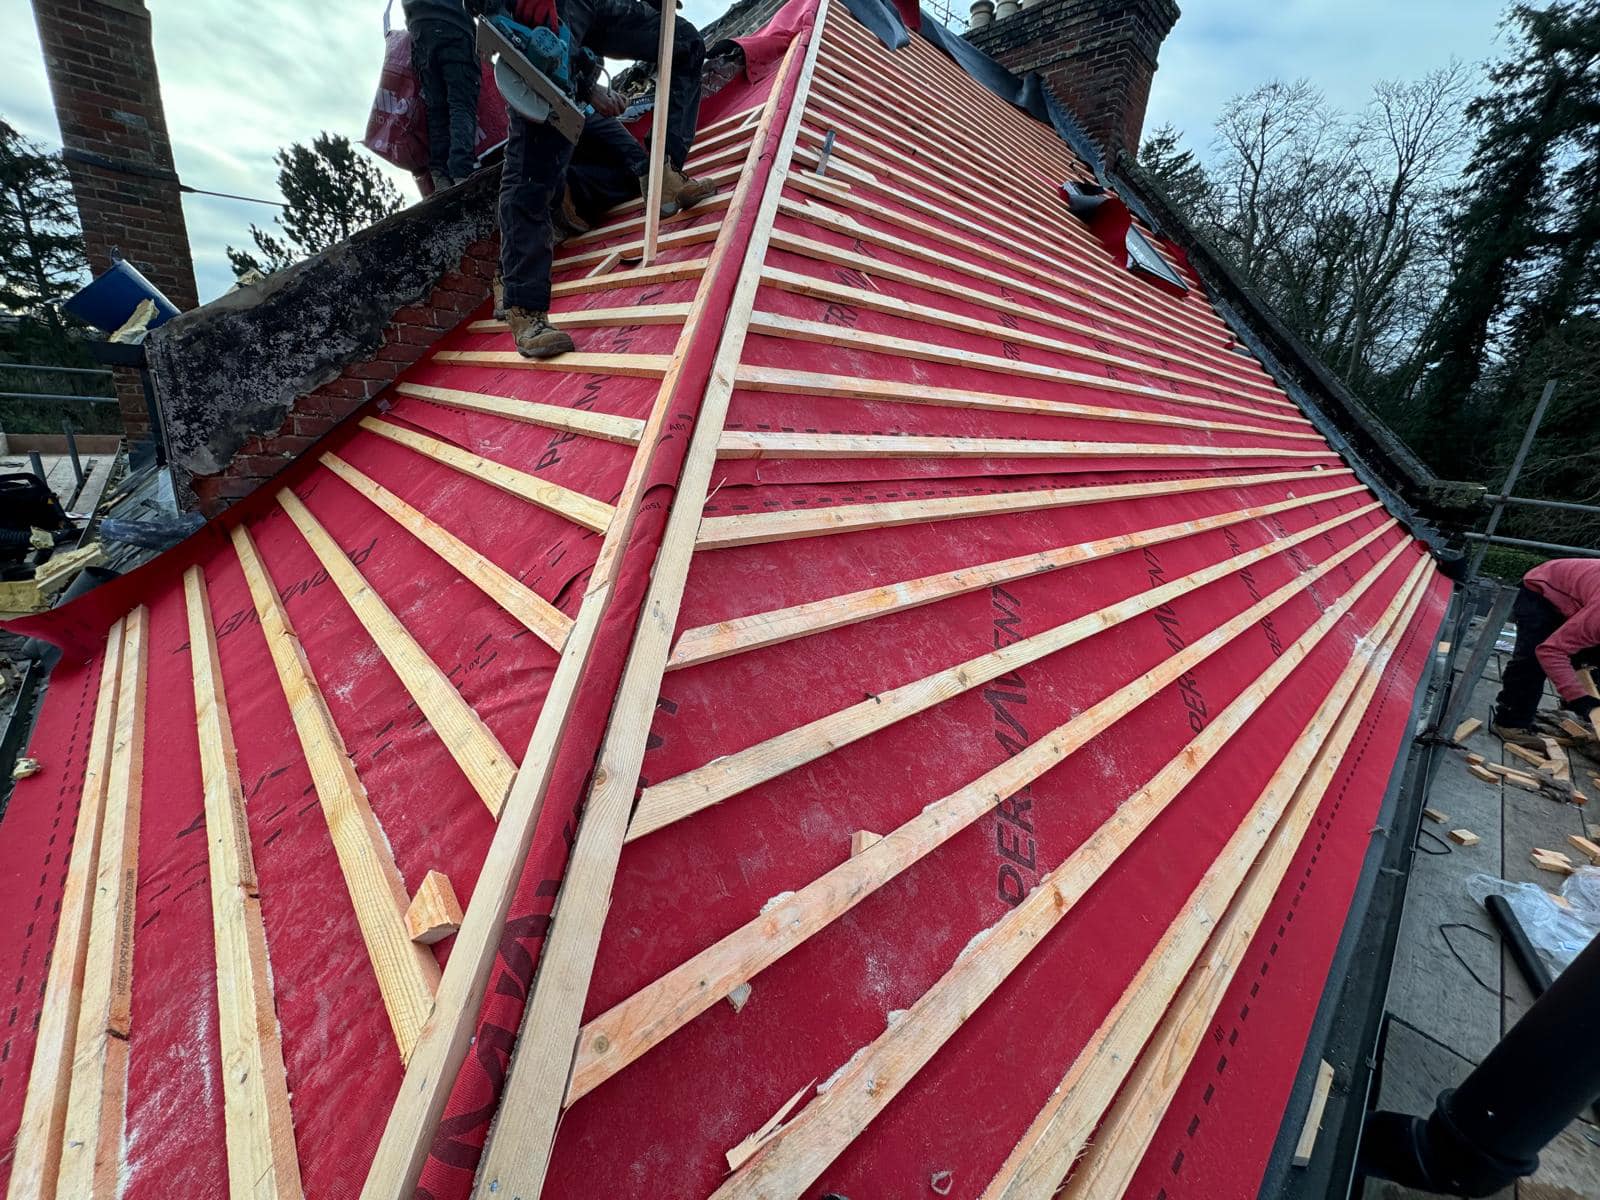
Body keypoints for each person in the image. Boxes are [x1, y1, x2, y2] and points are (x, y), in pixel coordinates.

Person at [491, 0, 716, 358]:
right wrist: (584, 82)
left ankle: (665, 172)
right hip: (545, 11)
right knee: (537, 153)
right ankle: (525, 308)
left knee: (683, 42)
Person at [1491, 558, 1600, 747]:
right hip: (1542, 591)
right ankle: (1510, 723)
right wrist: (1578, 698)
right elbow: (1551, 651)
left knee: (1590, 660)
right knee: (1533, 659)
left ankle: (1582, 717)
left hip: (1581, 598)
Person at [404, 0, 482, 191]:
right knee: (461, 103)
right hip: (454, 26)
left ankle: (440, 175)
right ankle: (461, 174)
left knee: (436, 107)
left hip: (420, 28)